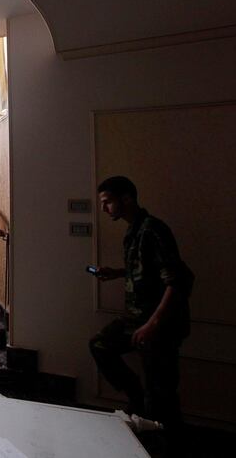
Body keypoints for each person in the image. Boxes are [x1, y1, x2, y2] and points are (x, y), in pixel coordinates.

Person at [89, 176, 193, 434]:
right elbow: (149, 269)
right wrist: (118, 272)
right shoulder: (134, 230)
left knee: (162, 395)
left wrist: (153, 324)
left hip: (159, 325)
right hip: (135, 319)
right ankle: (136, 399)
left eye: (108, 202)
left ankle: (168, 443)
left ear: (126, 198)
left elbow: (179, 280)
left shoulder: (152, 229)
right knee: (100, 344)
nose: (104, 208)